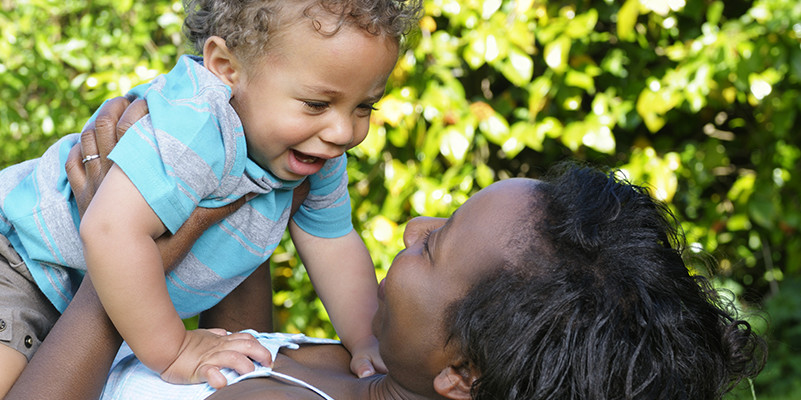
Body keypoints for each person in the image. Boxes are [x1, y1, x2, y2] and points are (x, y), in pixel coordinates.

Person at [7, 100, 765, 399]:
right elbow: (231, 337)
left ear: (460, 373)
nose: (410, 230)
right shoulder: (367, 361)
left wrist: (115, 244)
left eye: (433, 250)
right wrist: (232, 190)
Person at [0, 0, 424, 394]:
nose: (343, 133)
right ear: (225, 68)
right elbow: (110, 229)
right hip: (22, 266)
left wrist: (366, 338)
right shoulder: (197, 123)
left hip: (81, 293)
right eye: (316, 104)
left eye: (365, 107)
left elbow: (332, 242)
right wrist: (175, 350)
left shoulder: (313, 151)